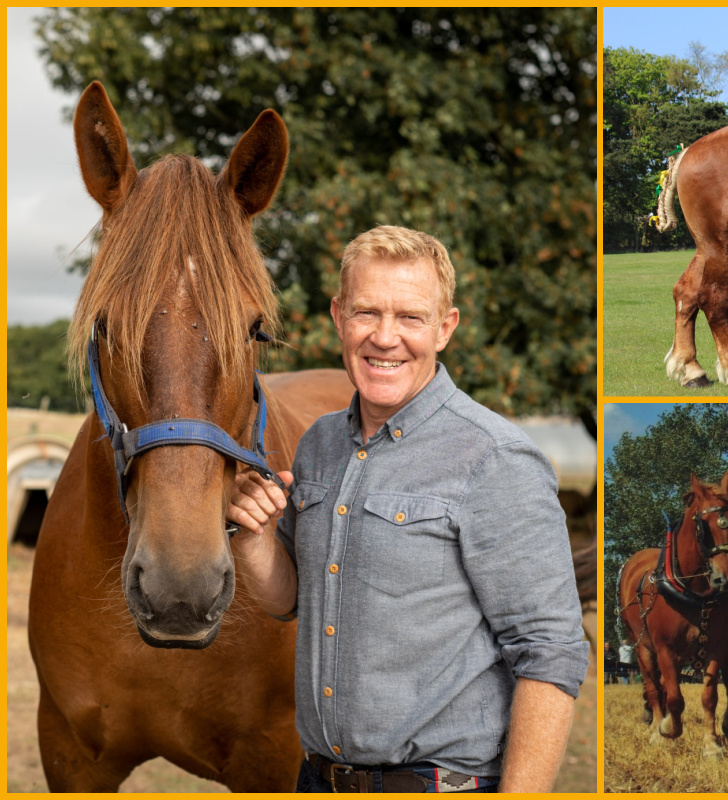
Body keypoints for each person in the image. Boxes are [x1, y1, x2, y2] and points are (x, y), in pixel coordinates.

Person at [226, 225, 589, 793]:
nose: (385, 337)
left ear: (445, 329)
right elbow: (292, 600)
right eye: (366, 313)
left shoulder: (495, 457)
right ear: (338, 317)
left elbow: (551, 652)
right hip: (317, 779)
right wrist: (252, 539)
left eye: (411, 318)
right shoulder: (319, 444)